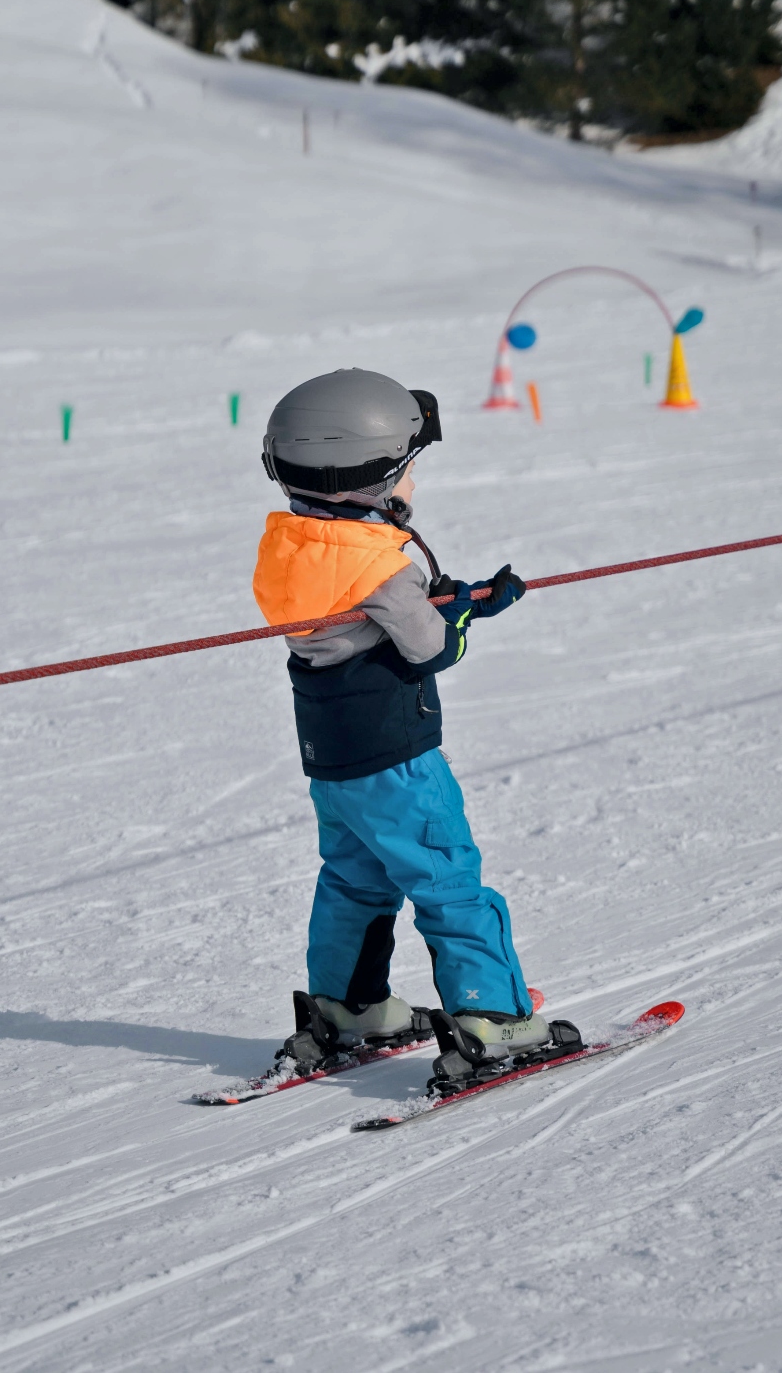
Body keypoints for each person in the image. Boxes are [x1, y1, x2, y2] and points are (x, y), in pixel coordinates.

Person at [252, 367, 564, 1090]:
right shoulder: (382, 568)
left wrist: (444, 599)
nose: (414, 485)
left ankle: (349, 1008)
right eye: (409, 470)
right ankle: (493, 1022)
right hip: (396, 758)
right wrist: (459, 615)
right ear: (371, 480)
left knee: (354, 879)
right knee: (447, 878)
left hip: (330, 757)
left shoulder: (289, 546)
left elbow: (349, 624)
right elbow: (431, 648)